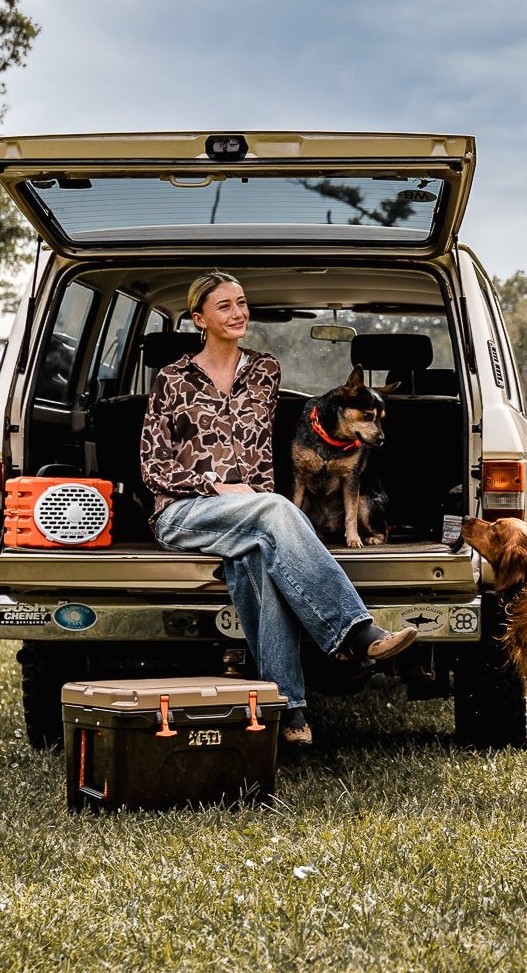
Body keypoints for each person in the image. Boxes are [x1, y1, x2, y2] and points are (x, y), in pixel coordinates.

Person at [140, 271, 414, 746]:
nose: (238, 312)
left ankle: (290, 712)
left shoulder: (265, 372)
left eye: (242, 303)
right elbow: (152, 465)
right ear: (197, 318)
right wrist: (214, 487)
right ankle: (357, 632)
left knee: (260, 561)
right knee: (273, 512)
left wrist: (247, 495)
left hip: (253, 511)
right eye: (224, 306)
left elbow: (265, 457)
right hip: (184, 511)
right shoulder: (170, 379)